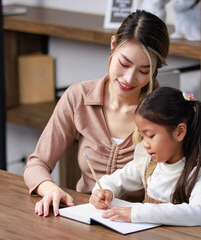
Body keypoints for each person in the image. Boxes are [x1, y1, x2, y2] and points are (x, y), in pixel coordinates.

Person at [23, 10, 170, 217]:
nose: (129, 78)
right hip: (85, 217)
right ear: (112, 46)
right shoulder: (79, 97)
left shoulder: (166, 113)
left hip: (142, 223)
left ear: (155, 69)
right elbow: (37, 163)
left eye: (144, 71)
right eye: (124, 64)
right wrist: (50, 189)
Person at [90, 87, 201, 227]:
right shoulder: (148, 164)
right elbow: (113, 180)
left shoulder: (199, 174)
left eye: (151, 136)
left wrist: (138, 212)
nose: (145, 144)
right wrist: (103, 191)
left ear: (179, 132)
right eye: (142, 135)